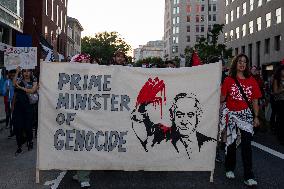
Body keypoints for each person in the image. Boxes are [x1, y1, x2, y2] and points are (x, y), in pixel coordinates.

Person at [131, 77, 216, 160]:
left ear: (199, 116)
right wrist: (141, 106)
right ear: (172, 115)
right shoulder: (159, 136)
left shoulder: (208, 143)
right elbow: (142, 126)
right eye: (179, 114)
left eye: (190, 115)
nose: (184, 121)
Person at [220, 54, 262, 186]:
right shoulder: (228, 80)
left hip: (246, 117)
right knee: (231, 143)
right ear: (235, 64)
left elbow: (255, 100)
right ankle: (229, 168)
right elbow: (222, 98)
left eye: (244, 62)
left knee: (247, 146)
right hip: (231, 116)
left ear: (247, 65)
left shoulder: (252, 80)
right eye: (239, 61)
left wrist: (256, 116)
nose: (242, 64)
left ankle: (248, 175)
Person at [70, 53, 92, 188]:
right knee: (78, 146)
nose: (88, 63)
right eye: (85, 61)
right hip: (74, 118)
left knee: (86, 145)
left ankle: (83, 175)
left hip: (88, 118)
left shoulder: (93, 76)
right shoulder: (71, 78)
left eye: (88, 61)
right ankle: (80, 172)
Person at [13, 67, 38, 155]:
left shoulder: (34, 80)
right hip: (18, 108)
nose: (26, 73)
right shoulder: (19, 80)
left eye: (28, 71)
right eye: (24, 71)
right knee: (18, 127)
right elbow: (14, 84)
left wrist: (21, 87)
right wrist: (17, 72)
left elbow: (33, 90)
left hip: (29, 108)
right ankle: (19, 146)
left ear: (31, 72)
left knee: (28, 127)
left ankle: (30, 141)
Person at [272, 65, 284, 145]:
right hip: (280, 101)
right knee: (281, 119)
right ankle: (280, 137)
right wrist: (283, 89)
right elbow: (275, 91)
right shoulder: (277, 79)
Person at [2, 70, 16, 137]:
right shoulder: (6, 82)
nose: (13, 76)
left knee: (16, 117)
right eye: (12, 75)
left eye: (14, 75)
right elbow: (3, 92)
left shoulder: (17, 81)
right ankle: (11, 131)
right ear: (10, 75)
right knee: (10, 116)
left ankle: (17, 130)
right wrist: (7, 90)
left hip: (16, 102)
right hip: (9, 102)